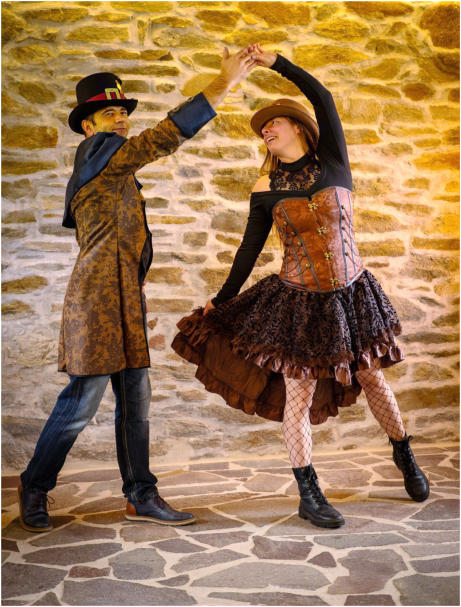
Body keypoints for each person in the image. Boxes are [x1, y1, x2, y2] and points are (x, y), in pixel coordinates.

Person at [172, 45, 429, 529]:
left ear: (298, 127)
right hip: (297, 303)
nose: (266, 131)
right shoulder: (264, 189)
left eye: (273, 123)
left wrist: (277, 63)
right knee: (299, 395)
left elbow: (322, 95)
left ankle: (405, 456)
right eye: (261, 129)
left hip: (352, 295)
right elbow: (248, 250)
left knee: (374, 379)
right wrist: (221, 300)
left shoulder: (334, 161)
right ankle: (308, 493)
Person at [18, 47, 258, 533]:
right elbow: (163, 137)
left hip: (125, 297)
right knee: (82, 400)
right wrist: (223, 83)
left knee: (136, 402)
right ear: (89, 126)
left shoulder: (115, 169)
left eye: (123, 111)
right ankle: (34, 486)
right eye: (109, 113)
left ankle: (141, 495)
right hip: (95, 300)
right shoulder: (98, 153)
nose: (121, 119)